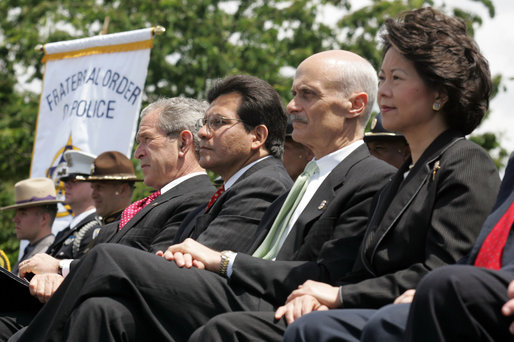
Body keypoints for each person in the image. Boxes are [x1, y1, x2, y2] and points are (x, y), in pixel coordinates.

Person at [16, 50, 396, 342]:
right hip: (234, 289)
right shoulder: (302, 180)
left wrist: (222, 261)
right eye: (294, 93)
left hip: (261, 301)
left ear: (356, 105)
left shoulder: (366, 178)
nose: (293, 105)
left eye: (307, 95)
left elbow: (321, 275)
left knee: (108, 257)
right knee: (101, 312)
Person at [280, 7, 502, 342]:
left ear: (440, 93)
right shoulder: (403, 174)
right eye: (382, 78)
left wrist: (340, 297)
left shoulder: (465, 161)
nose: (383, 91)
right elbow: (360, 268)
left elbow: (443, 271)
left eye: (397, 78)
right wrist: (321, 293)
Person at [0, 97, 217, 342]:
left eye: (146, 140)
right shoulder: (151, 203)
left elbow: (149, 275)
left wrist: (60, 269)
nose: (138, 153)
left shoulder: (199, 200)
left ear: (183, 142)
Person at [172, 74, 293, 252]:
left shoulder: (265, 186)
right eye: (204, 123)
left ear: (257, 136)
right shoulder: (234, 188)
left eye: (219, 122)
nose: (203, 133)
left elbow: (200, 264)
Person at [45, 150, 100, 260]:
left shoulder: (96, 229)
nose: (66, 185)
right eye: (66, 180)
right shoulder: (67, 231)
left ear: (93, 185)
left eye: (74, 181)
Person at [0, 178, 60, 275]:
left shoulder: (51, 256)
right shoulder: (32, 250)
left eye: (23, 213)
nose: (15, 219)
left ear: (44, 219)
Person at [86, 150, 141, 225]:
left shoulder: (134, 228)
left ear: (123, 190)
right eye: (93, 187)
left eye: (99, 187)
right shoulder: (99, 228)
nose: (93, 195)